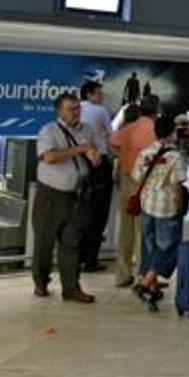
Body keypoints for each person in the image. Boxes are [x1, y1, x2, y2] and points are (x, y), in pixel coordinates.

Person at [32, 93, 100, 304]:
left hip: (77, 196)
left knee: (71, 244)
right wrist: (80, 149)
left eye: (78, 108)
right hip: (50, 195)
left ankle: (71, 288)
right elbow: (49, 157)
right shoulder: (48, 131)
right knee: (44, 243)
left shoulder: (87, 130)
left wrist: (95, 157)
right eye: (71, 108)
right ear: (59, 111)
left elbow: (95, 154)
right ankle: (41, 282)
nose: (76, 112)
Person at [131, 116, 187, 312]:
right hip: (167, 207)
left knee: (150, 246)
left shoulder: (145, 153)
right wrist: (180, 206)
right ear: (172, 132)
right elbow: (177, 185)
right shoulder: (175, 156)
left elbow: (136, 176)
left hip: (147, 204)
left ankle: (152, 292)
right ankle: (145, 284)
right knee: (168, 247)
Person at [109, 94, 159, 287]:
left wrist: (122, 155)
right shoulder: (155, 129)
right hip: (147, 182)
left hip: (127, 178)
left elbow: (112, 142)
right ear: (157, 110)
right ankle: (144, 275)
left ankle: (122, 274)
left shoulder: (129, 128)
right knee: (145, 230)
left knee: (126, 228)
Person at [79, 81, 115, 273]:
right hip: (99, 165)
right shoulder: (100, 111)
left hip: (78, 163)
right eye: (99, 94)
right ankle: (91, 259)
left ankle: (76, 257)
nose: (102, 97)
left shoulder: (77, 111)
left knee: (81, 212)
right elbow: (111, 137)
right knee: (98, 214)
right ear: (90, 94)